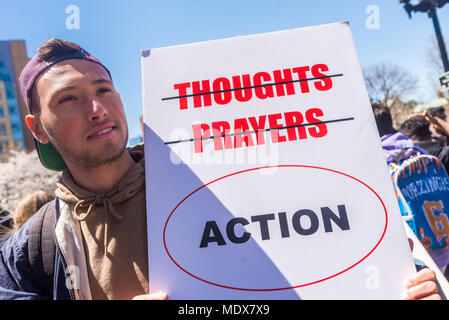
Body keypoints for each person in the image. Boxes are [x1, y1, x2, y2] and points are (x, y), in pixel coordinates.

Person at [0, 39, 440, 300]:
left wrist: (409, 284)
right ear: (38, 129)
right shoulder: (30, 253)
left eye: (103, 89)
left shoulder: (211, 180)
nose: (97, 109)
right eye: (68, 98)